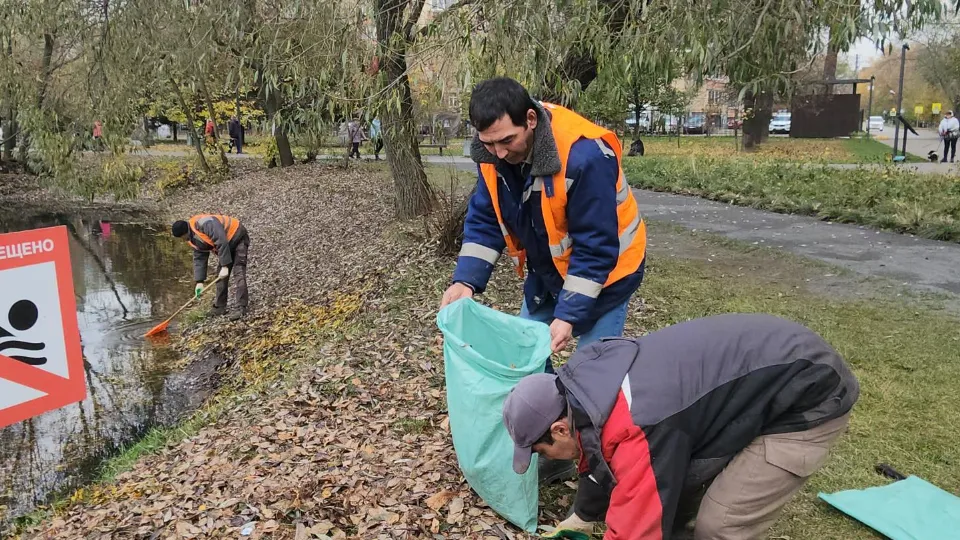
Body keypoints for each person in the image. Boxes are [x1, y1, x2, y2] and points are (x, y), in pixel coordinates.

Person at [502, 313, 860, 538]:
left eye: (539, 450)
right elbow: (596, 459)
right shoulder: (586, 391)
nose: (543, 457)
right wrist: (583, 516)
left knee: (720, 525)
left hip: (808, 392)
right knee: (674, 503)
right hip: (757, 376)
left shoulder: (636, 425)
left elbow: (635, 531)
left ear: (560, 430)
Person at [440, 77, 647, 358]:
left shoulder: (584, 157)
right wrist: (465, 280)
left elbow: (595, 246)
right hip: (548, 273)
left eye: (507, 140)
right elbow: (487, 219)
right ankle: (546, 400)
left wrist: (568, 314)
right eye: (488, 143)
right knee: (524, 357)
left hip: (611, 274)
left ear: (531, 119)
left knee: (593, 373)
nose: (499, 153)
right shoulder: (491, 156)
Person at [171, 215, 250, 321]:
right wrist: (199, 281)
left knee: (238, 272)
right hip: (227, 245)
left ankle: (241, 307)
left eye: (181, 237)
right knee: (220, 277)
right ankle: (220, 307)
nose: (182, 240)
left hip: (237, 235)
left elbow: (221, 240)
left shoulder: (205, 223)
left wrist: (225, 265)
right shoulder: (192, 238)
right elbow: (199, 257)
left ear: (184, 233)